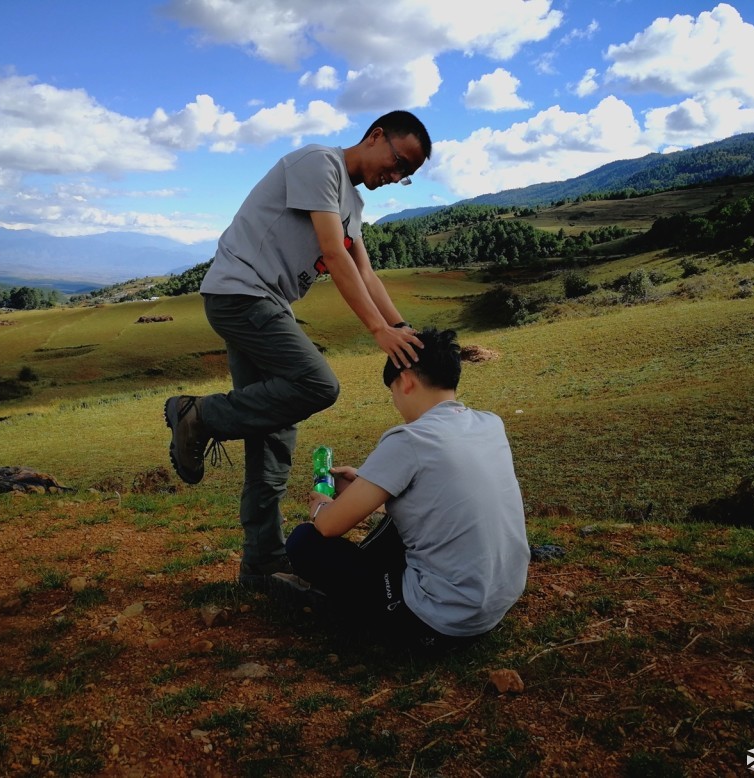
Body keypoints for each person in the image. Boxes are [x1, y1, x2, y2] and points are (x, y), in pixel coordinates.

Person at [165, 110, 432, 591]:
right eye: (397, 163)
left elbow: (364, 272)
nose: (395, 177)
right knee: (317, 384)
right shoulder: (319, 164)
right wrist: (378, 331)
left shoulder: (352, 204)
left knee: (272, 436)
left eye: (405, 176)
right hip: (241, 294)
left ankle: (261, 565)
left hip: (268, 301)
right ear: (375, 137)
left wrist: (404, 330)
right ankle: (196, 416)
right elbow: (332, 253)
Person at [282, 328, 530, 652]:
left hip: (437, 623)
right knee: (398, 521)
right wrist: (366, 483)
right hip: (496, 603)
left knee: (305, 541)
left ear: (406, 380)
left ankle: (369, 617)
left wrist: (320, 506)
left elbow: (328, 526)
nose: (396, 403)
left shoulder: (410, 439)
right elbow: (437, 495)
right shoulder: (489, 424)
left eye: (393, 393)